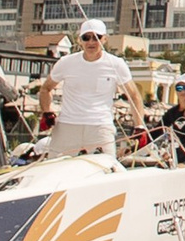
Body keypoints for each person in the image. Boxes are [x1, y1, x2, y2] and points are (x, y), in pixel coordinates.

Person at [38, 22, 144, 156]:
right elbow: (45, 89)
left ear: (104, 39)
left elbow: (134, 95)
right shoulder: (66, 62)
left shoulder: (116, 64)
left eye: (96, 37)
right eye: (86, 38)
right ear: (80, 40)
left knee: (106, 166)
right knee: (55, 166)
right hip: (67, 125)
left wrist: (139, 126)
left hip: (100, 127)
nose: (91, 42)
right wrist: (47, 112)